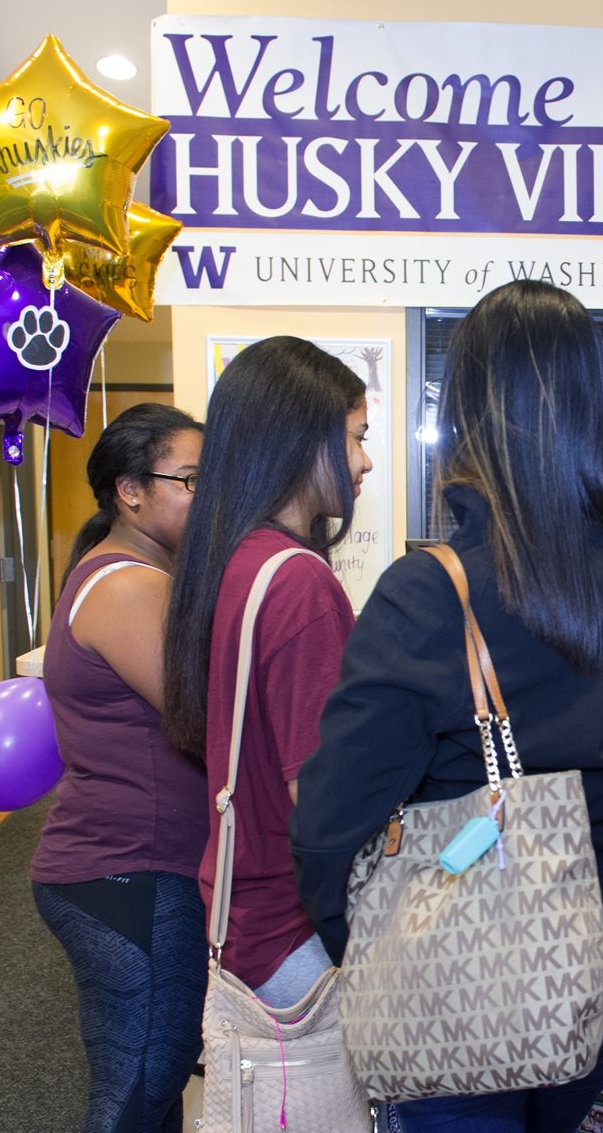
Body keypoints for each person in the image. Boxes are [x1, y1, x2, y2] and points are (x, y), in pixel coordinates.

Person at [290, 280, 603, 1132]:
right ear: (592, 409)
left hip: (460, 975)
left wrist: (365, 948)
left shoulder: (427, 590)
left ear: (468, 415)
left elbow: (330, 823)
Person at [161, 336, 371, 1006]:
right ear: (302, 441)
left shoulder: (238, 557)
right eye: (355, 437)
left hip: (245, 916)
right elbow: (322, 796)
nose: (364, 463)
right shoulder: (299, 582)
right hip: (293, 930)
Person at [30, 403, 207, 1133]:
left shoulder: (125, 573)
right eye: (191, 480)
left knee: (150, 1084)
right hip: (130, 870)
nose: (208, 497)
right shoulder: (132, 586)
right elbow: (204, 719)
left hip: (127, 867)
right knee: (139, 1087)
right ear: (131, 491)